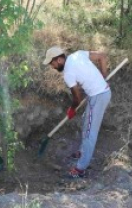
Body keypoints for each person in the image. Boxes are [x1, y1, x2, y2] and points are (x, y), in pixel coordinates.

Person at [43, 46, 111, 178]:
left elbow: (77, 98)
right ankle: (82, 151)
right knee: (86, 122)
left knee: (90, 132)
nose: (52, 67)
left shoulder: (68, 73)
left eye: (52, 63)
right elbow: (102, 55)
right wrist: (104, 76)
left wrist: (72, 109)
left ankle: (80, 168)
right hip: (97, 94)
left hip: (99, 96)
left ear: (59, 60)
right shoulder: (78, 55)